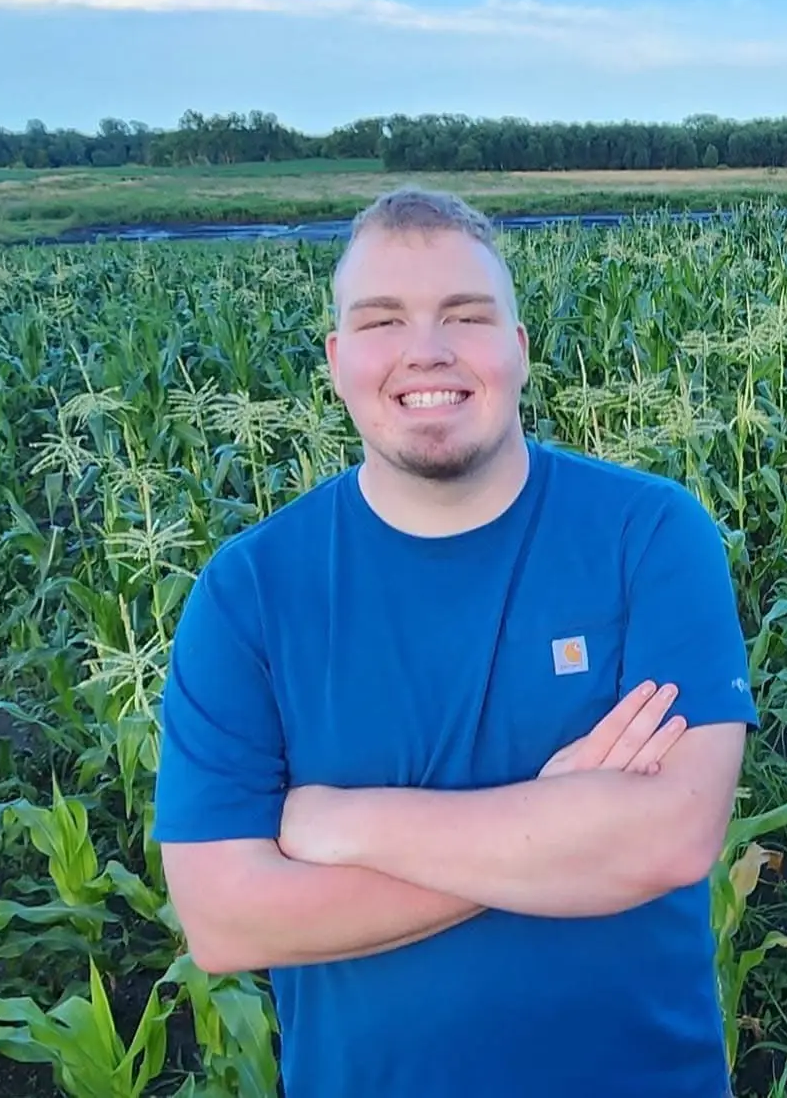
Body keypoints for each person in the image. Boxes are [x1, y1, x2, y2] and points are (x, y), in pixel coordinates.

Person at [153, 187, 756, 1097]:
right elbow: (228, 919)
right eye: (381, 319)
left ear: (517, 348)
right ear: (337, 358)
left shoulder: (652, 535)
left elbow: (668, 839)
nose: (424, 349)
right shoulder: (248, 595)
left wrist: (346, 823)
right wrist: (555, 823)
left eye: (464, 316)